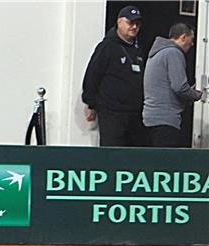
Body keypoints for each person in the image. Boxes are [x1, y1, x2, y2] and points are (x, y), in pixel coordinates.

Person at [82, 5, 147, 146]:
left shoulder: (138, 50)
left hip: (134, 113)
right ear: (119, 22)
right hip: (112, 112)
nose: (134, 27)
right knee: (112, 154)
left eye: (137, 24)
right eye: (130, 23)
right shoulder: (106, 47)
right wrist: (90, 104)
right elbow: (92, 75)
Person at [143, 23, 203, 147]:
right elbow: (179, 87)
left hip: (151, 118)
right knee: (166, 163)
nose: (192, 44)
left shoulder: (157, 53)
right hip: (166, 119)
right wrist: (196, 95)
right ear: (183, 37)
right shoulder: (173, 53)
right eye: (191, 40)